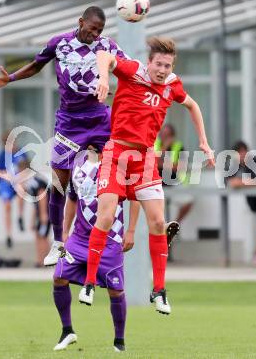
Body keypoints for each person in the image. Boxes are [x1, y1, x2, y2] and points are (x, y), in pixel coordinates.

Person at [78, 37, 214, 314]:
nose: (162, 70)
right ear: (149, 61)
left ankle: (159, 291)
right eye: (158, 64)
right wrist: (104, 79)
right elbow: (104, 55)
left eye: (167, 65)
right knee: (105, 216)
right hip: (116, 154)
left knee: (158, 221)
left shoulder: (172, 85)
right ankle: (89, 282)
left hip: (144, 159)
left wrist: (204, 142)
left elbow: (193, 105)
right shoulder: (134, 71)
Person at [0, 6, 126, 266]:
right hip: (69, 123)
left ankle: (127, 230)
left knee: (118, 174)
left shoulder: (107, 46)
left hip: (99, 119)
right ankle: (59, 243)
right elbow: (37, 66)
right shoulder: (59, 43)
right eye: (92, 28)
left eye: (100, 30)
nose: (95, 34)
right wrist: (11, 78)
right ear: (80, 22)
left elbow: (128, 71)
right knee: (58, 184)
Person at [52, 145, 139, 353]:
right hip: (79, 239)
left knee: (116, 291)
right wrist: (65, 232)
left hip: (110, 240)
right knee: (59, 276)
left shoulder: (117, 164)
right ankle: (67, 331)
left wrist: (131, 231)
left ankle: (119, 342)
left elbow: (134, 198)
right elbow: (72, 199)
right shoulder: (77, 164)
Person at [228, 141, 256, 267]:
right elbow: (232, 182)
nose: (242, 155)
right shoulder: (236, 166)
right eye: (239, 152)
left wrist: (242, 182)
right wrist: (245, 182)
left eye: (243, 151)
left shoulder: (255, 162)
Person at [0, 132, 27, 248]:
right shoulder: (2, 155)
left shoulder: (22, 152)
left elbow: (27, 168)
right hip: (6, 183)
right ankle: (8, 235)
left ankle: (20, 216)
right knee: (7, 206)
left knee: (21, 188)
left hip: (18, 181)